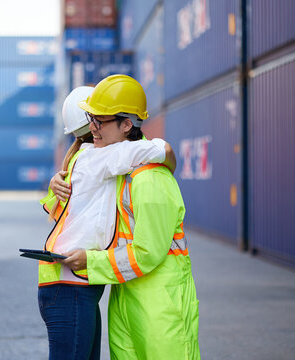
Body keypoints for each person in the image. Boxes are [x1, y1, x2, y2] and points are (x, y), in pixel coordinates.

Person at [54, 74, 201, 360]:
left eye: (100, 121)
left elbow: (147, 253)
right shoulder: (117, 169)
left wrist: (90, 260)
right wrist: (55, 183)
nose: (92, 128)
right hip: (126, 295)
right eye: (90, 119)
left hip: (160, 302)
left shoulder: (149, 178)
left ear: (126, 124)